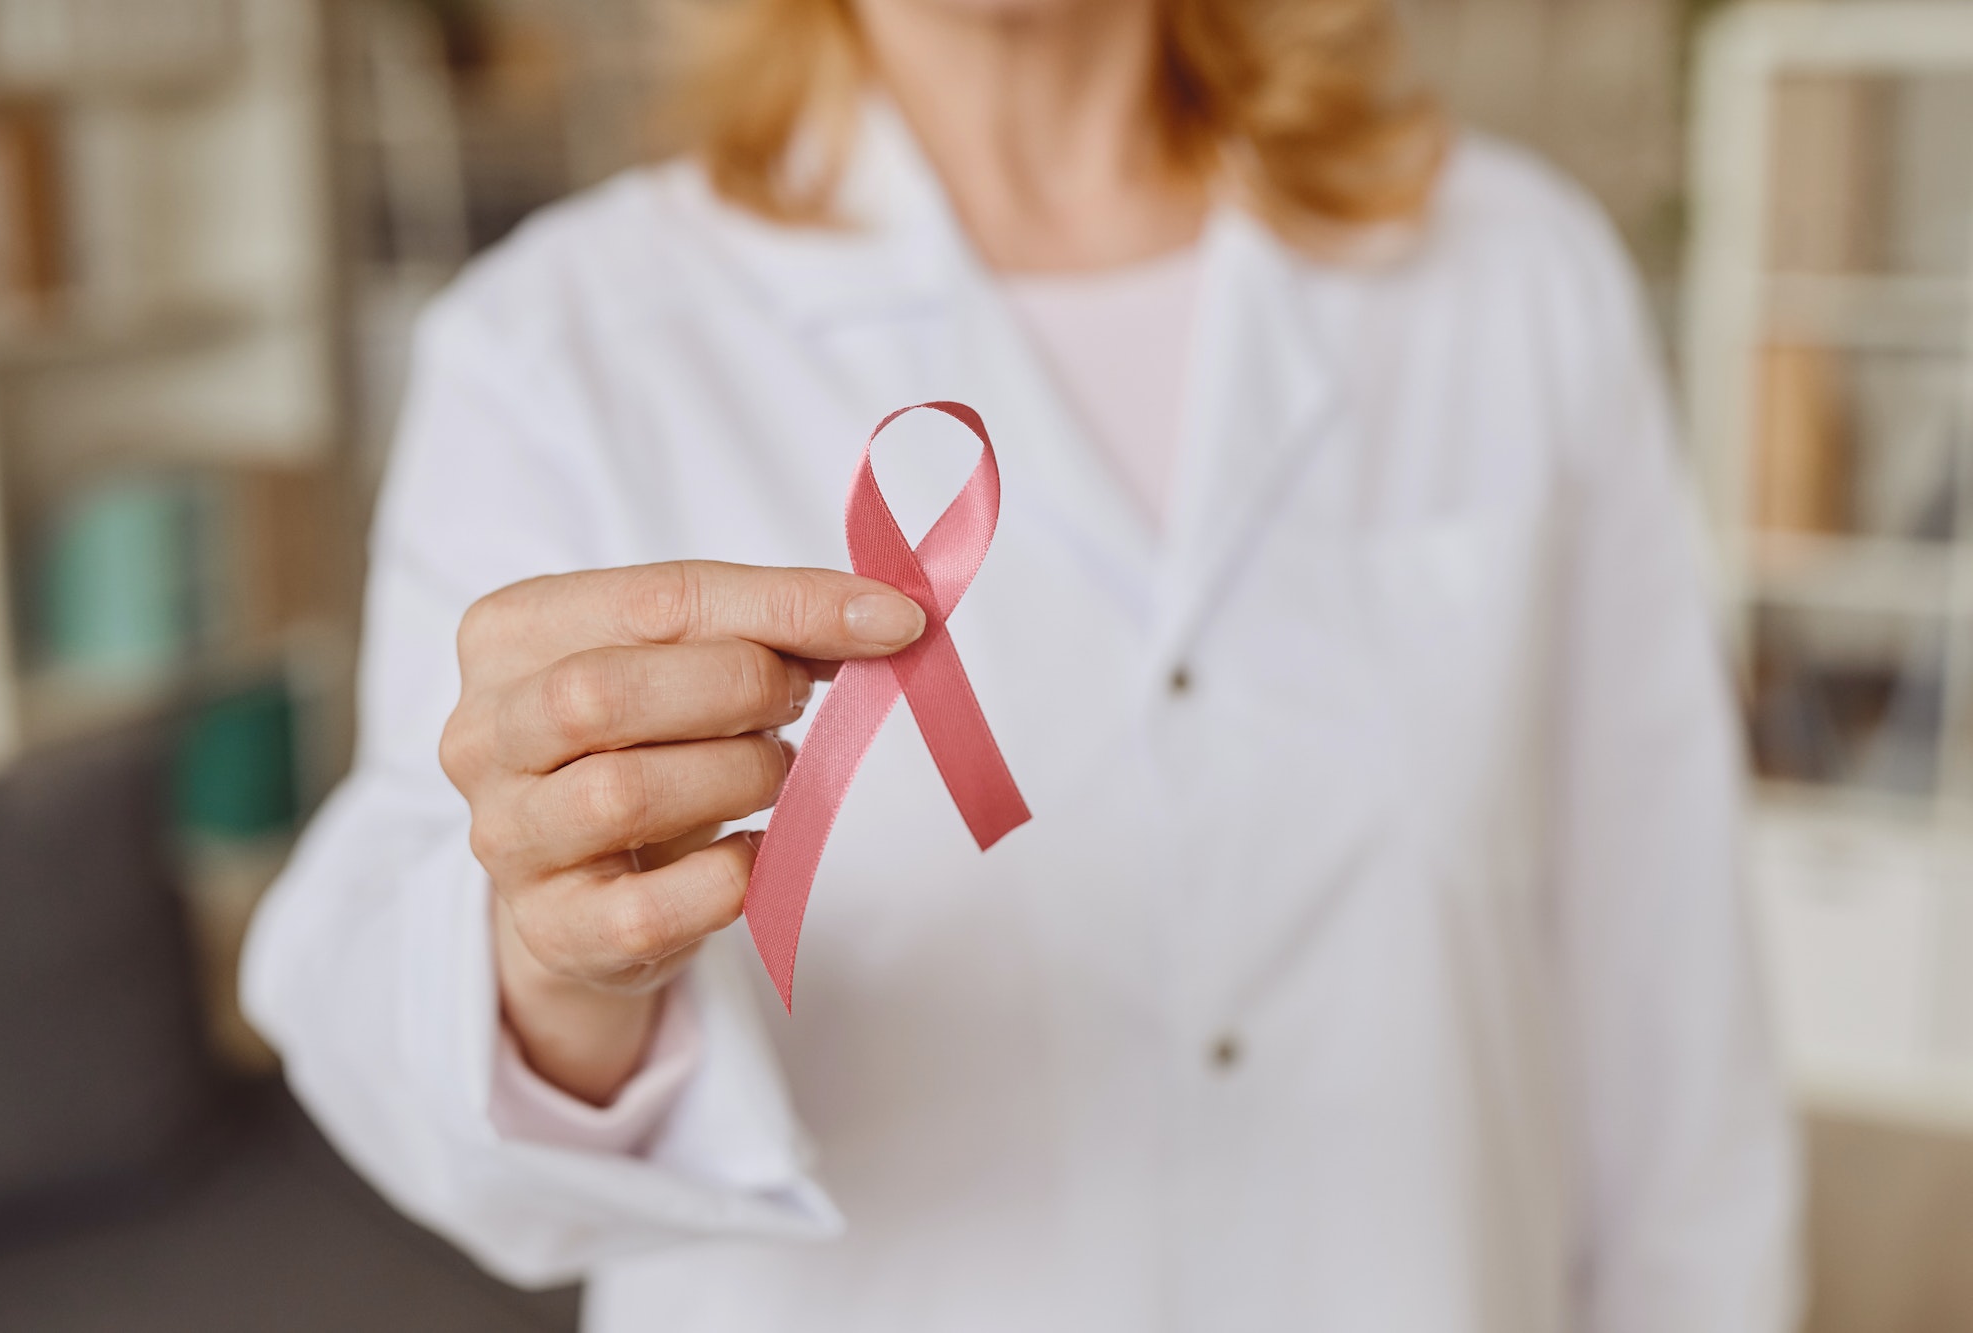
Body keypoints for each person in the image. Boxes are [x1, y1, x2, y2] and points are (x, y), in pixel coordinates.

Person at [242, 0, 1800, 1327]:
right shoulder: (555, 349)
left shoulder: (1515, 280)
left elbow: (1674, 1020)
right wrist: (550, 973)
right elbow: (391, 1012)